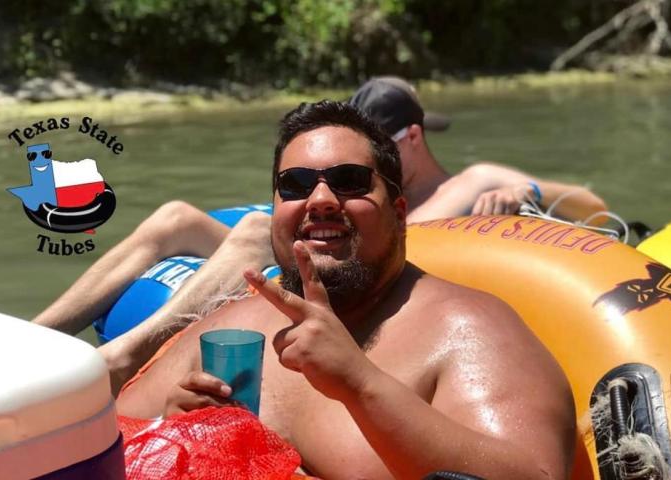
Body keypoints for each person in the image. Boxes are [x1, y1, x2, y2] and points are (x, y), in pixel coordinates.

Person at [34, 76, 607, 395]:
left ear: (410, 138)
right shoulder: (329, 194)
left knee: (256, 228)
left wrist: (518, 199)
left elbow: (592, 205)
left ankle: (125, 355)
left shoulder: (476, 181)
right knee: (176, 215)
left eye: (359, 166)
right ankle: (28, 336)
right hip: (316, 249)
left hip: (367, 265)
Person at [116, 100, 576, 479]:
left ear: (398, 212)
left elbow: (534, 475)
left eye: (349, 181)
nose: (320, 200)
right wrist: (169, 428)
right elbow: (104, 442)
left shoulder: (469, 331)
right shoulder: (234, 326)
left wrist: (360, 383)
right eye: (295, 185)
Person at [349, 76, 608, 223]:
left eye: (378, 149)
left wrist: (532, 192)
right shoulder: (368, 204)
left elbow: (597, 212)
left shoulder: (479, 181)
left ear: (414, 136)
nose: (369, 162)